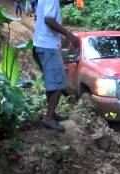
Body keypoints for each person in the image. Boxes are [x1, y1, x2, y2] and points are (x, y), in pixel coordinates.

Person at [33, 0, 79, 131]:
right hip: (48, 46)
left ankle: (51, 114)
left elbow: (42, 19)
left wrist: (61, 38)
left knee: (52, 82)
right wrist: (69, 34)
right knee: (59, 82)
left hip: (43, 44)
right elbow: (49, 20)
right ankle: (49, 118)